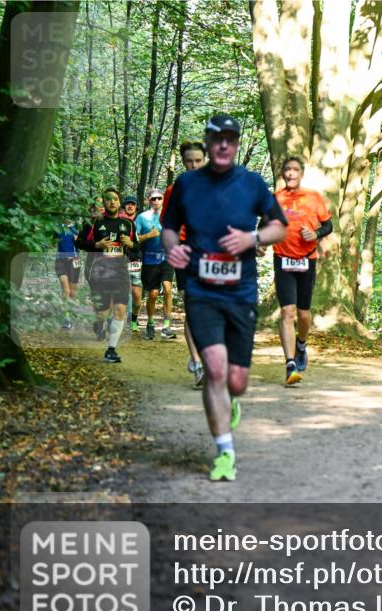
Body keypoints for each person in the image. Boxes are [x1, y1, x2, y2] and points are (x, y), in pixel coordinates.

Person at [163, 114, 287, 481]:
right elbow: (168, 228)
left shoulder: (252, 184)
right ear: (208, 141)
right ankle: (224, 452)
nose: (222, 145)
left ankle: (231, 399)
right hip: (201, 290)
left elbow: (279, 226)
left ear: (235, 144)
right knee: (214, 369)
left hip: (241, 292)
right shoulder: (186, 185)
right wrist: (174, 249)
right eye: (216, 138)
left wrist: (254, 239)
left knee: (237, 381)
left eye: (230, 139)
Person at [273, 157, 333, 385]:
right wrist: (260, 244)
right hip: (282, 259)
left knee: (303, 313)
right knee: (287, 312)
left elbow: (328, 225)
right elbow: (265, 226)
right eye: (287, 169)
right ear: (283, 173)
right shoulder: (276, 198)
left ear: (301, 173)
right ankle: (290, 365)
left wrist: (316, 234)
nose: (290, 173)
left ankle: (301, 344)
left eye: (295, 169)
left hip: (306, 260)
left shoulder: (313, 197)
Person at [161, 141, 207, 387]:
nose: (194, 165)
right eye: (189, 161)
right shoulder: (174, 190)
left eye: (198, 161)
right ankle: (197, 362)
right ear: (183, 162)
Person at [75, 187, 138, 362]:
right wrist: (96, 245)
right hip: (98, 271)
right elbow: (79, 243)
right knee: (102, 313)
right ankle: (99, 323)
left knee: (120, 309)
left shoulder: (128, 224)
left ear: (120, 202)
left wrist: (131, 246)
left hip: (120, 271)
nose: (112, 202)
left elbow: (137, 249)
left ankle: (111, 350)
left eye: (115, 199)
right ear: (103, 202)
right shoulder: (93, 222)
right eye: (108, 199)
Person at [136, 188, 177, 340]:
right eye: (153, 199)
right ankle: (151, 323)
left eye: (160, 198)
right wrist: (149, 235)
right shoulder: (142, 218)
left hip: (167, 257)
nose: (157, 201)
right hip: (149, 259)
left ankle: (166, 327)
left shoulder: (170, 216)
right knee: (153, 294)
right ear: (148, 200)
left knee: (167, 288)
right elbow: (134, 239)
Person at [120, 195, 144, 333]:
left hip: (136, 260)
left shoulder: (141, 220)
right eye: (128, 204)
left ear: (136, 207)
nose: (130, 206)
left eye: (132, 204)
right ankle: (123, 317)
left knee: (136, 294)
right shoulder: (119, 220)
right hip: (121, 260)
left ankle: (134, 317)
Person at [53, 221, 80, 330]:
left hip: (74, 261)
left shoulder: (78, 226)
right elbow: (53, 241)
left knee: (73, 293)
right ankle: (65, 318)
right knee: (66, 290)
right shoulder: (57, 226)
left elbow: (82, 244)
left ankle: (71, 314)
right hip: (61, 260)